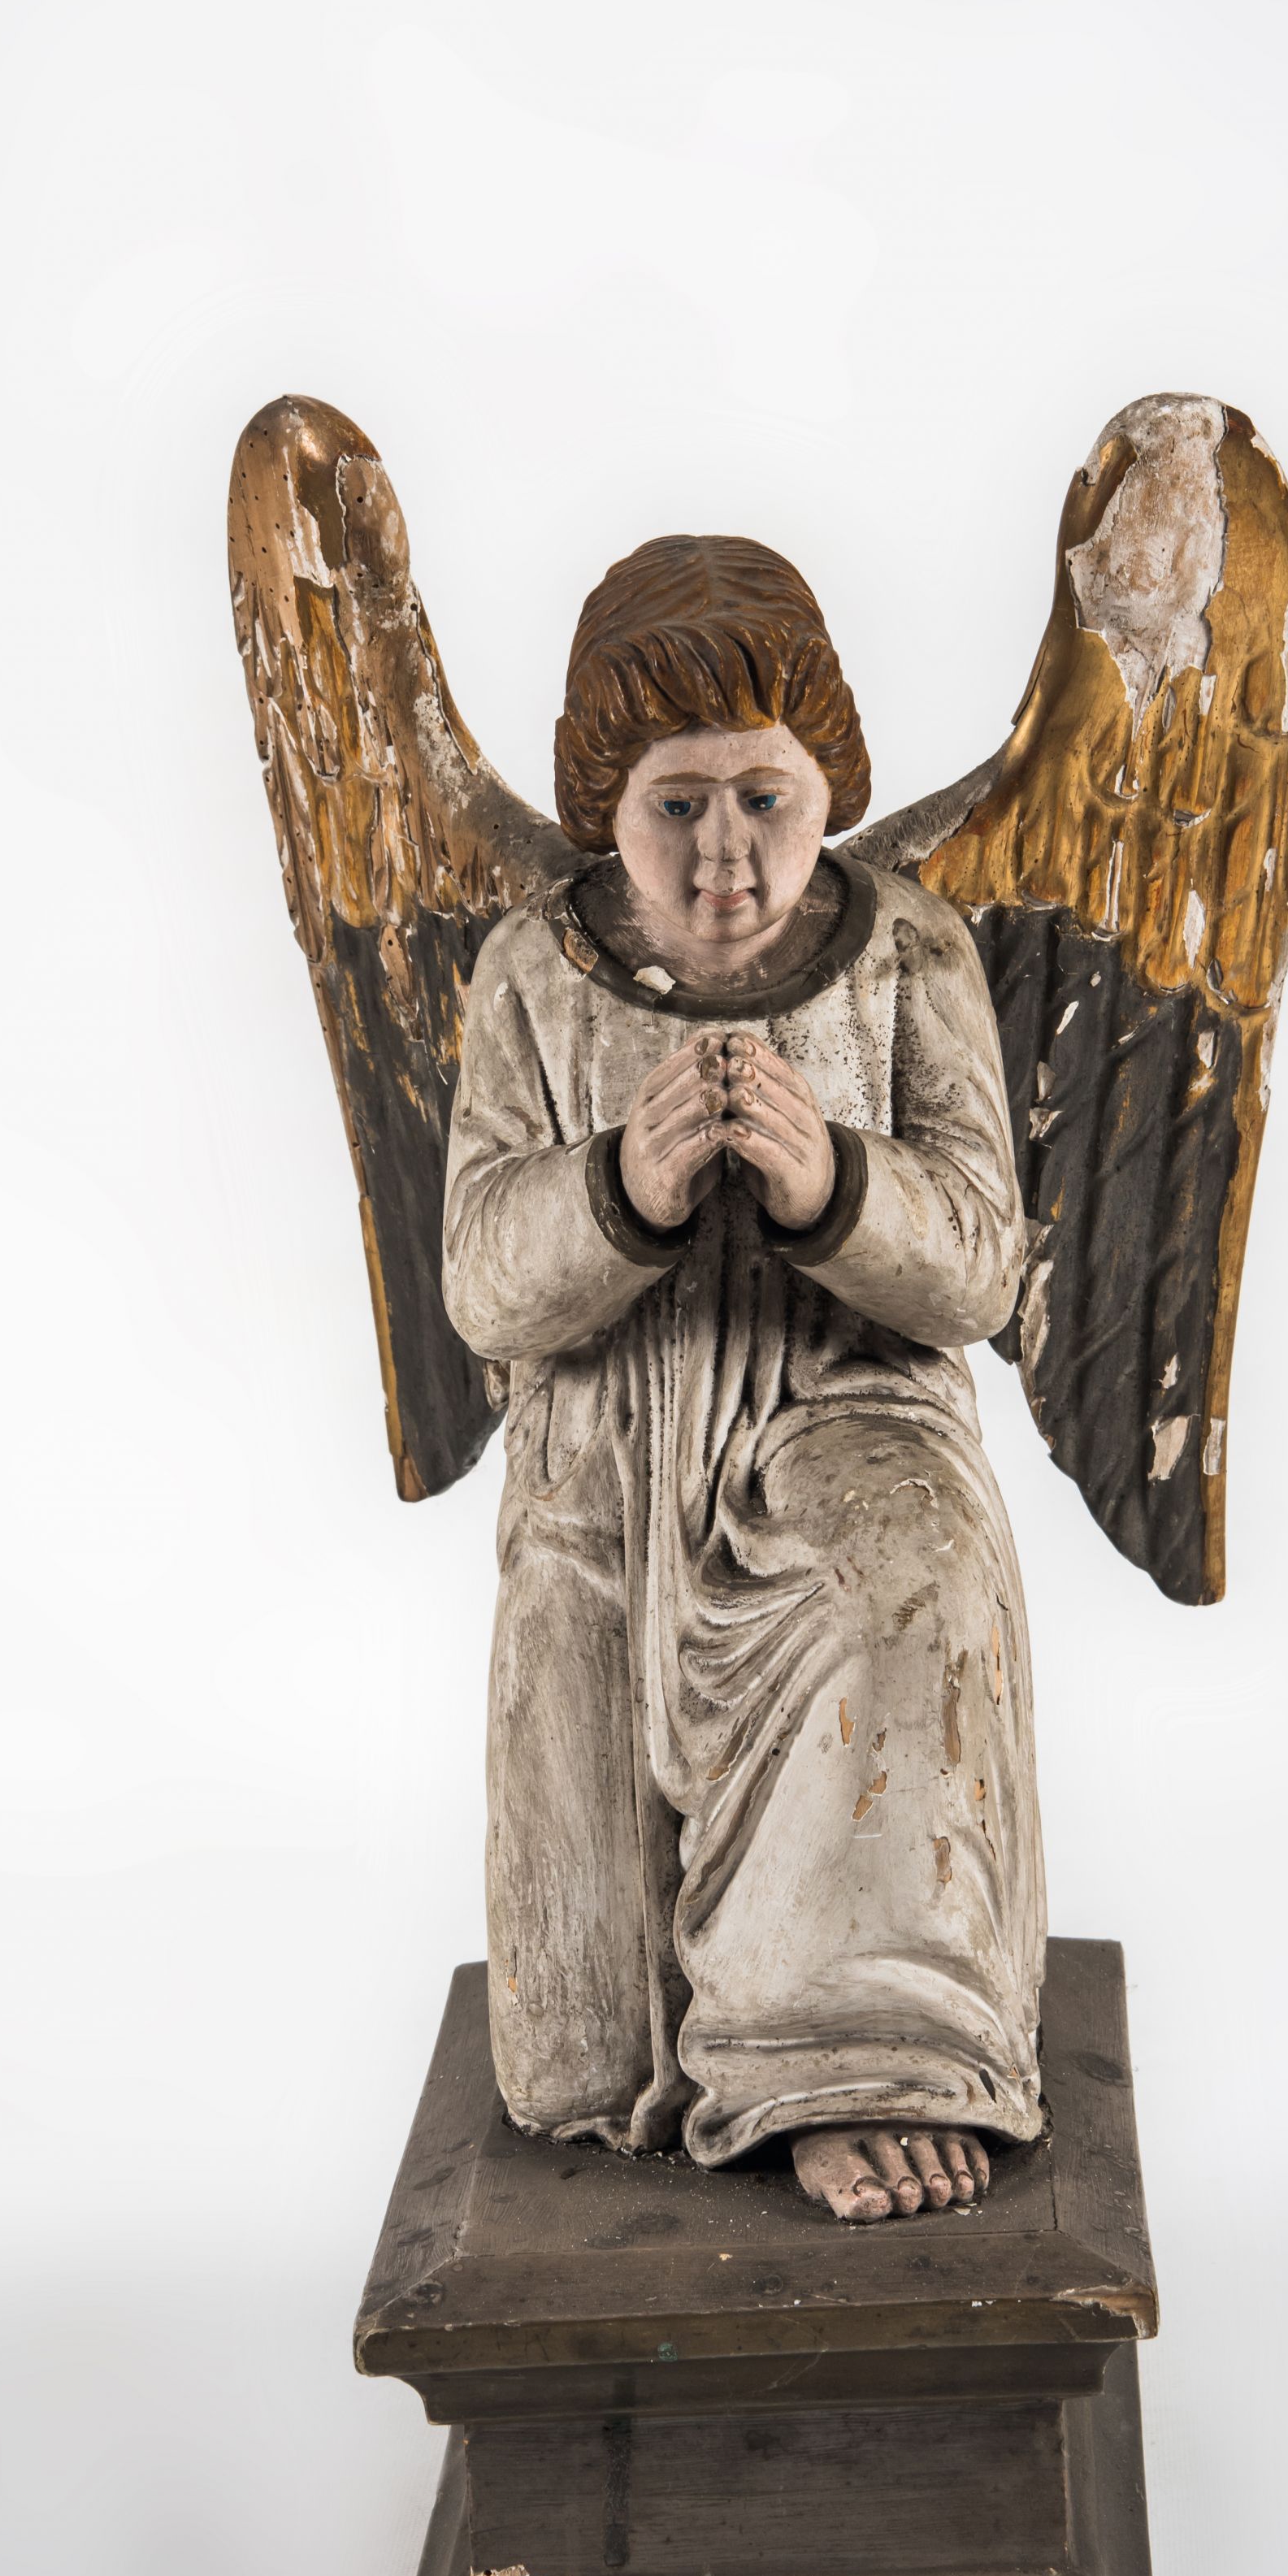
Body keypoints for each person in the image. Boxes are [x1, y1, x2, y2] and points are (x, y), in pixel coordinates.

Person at [440, 536, 1046, 2220]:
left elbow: (984, 1262)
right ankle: (667, 2040)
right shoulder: (532, 977)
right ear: (605, 809)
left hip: (856, 1407)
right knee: (578, 2057)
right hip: (610, 1454)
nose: (727, 856)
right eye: (678, 806)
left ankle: (861, 2057)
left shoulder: (912, 956)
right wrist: (614, 1192)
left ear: (827, 784)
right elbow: (479, 1279)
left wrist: (838, 1184)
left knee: (904, 1570)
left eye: (766, 800)